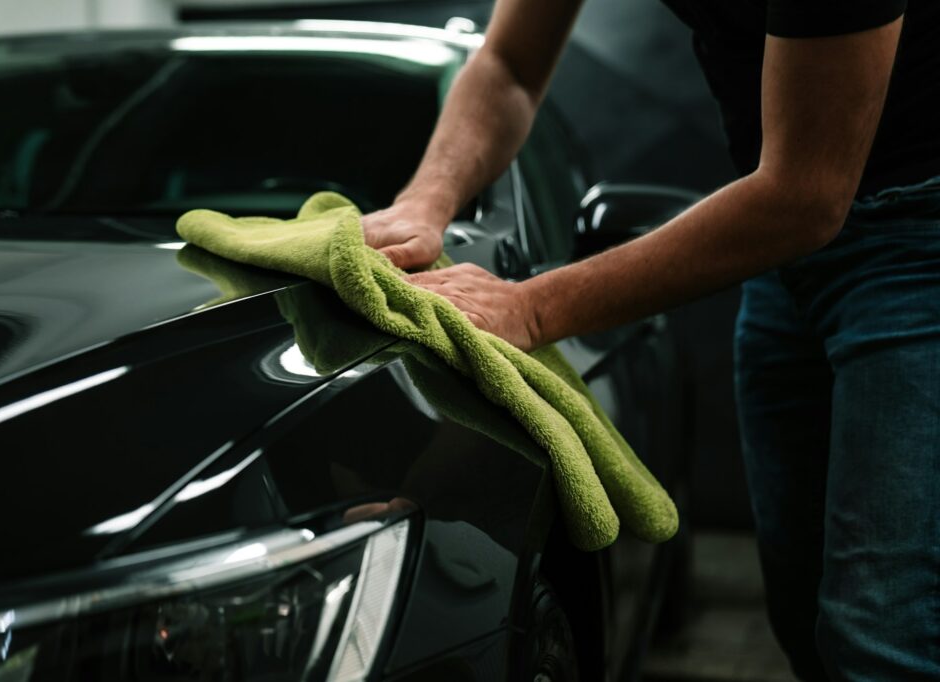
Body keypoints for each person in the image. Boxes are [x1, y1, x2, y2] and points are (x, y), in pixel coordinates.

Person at [362, 1, 940, 679]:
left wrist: (531, 308)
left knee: (882, 636)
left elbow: (805, 197)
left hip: (916, 238)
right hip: (789, 254)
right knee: (806, 616)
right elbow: (510, 62)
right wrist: (423, 203)